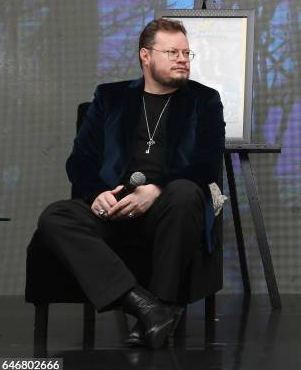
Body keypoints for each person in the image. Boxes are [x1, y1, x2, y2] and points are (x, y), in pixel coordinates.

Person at [32, 18, 225, 350]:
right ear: (145, 56)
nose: (183, 59)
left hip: (168, 210)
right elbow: (80, 161)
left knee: (184, 192)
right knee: (55, 216)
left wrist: (157, 188)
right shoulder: (110, 97)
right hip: (116, 208)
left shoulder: (204, 100)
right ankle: (148, 307)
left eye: (186, 52)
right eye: (172, 52)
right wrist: (96, 195)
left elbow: (206, 164)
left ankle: (160, 302)